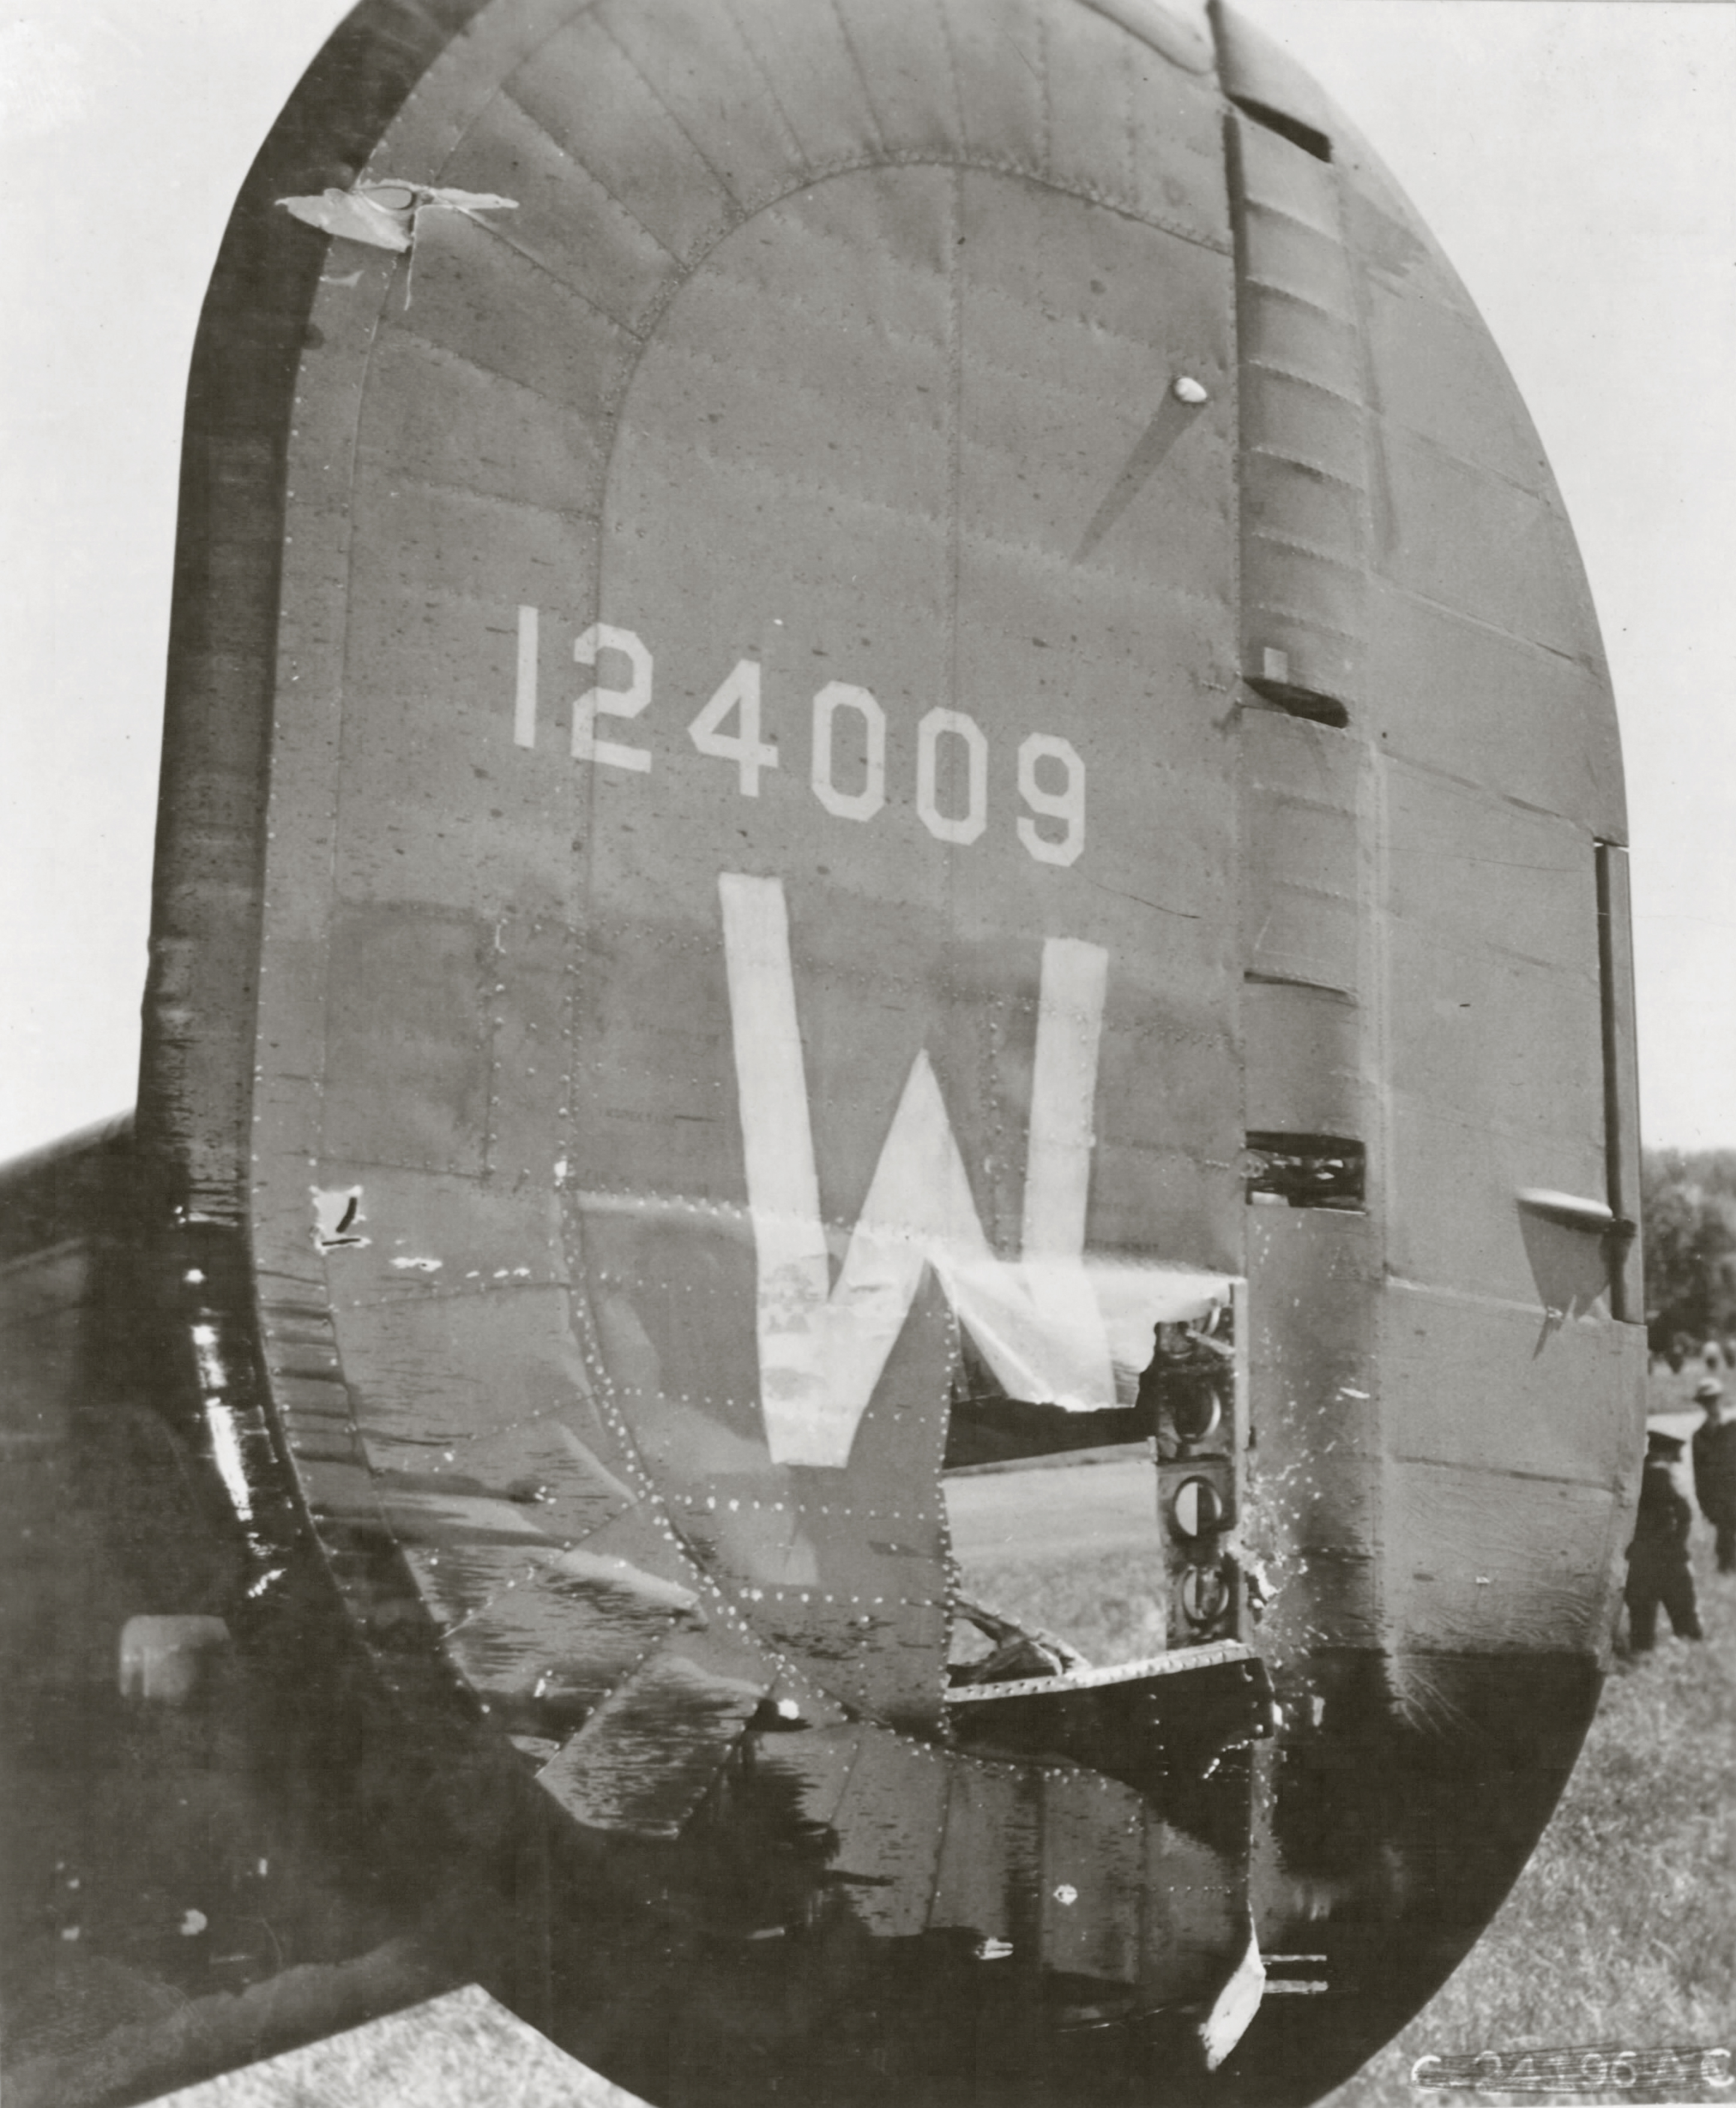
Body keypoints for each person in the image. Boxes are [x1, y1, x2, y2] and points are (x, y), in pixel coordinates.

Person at [1625, 1429, 1704, 1651]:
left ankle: (1641, 1655)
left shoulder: (1638, 1473)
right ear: (1667, 1453)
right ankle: (1691, 1654)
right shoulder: (1659, 1475)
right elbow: (1683, 1514)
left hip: (1640, 1556)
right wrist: (1678, 1543)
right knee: (1684, 1612)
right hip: (1666, 1556)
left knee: (1642, 1616)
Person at [1692, 1379, 1736, 1575]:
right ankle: (1727, 1571)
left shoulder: (1733, 1428)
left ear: (1721, 1399)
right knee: (1725, 1538)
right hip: (1720, 1498)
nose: (1712, 1405)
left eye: (1714, 1399)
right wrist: (1705, 1504)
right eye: (1707, 1401)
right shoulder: (1700, 1436)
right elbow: (1699, 1475)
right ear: (1702, 1404)